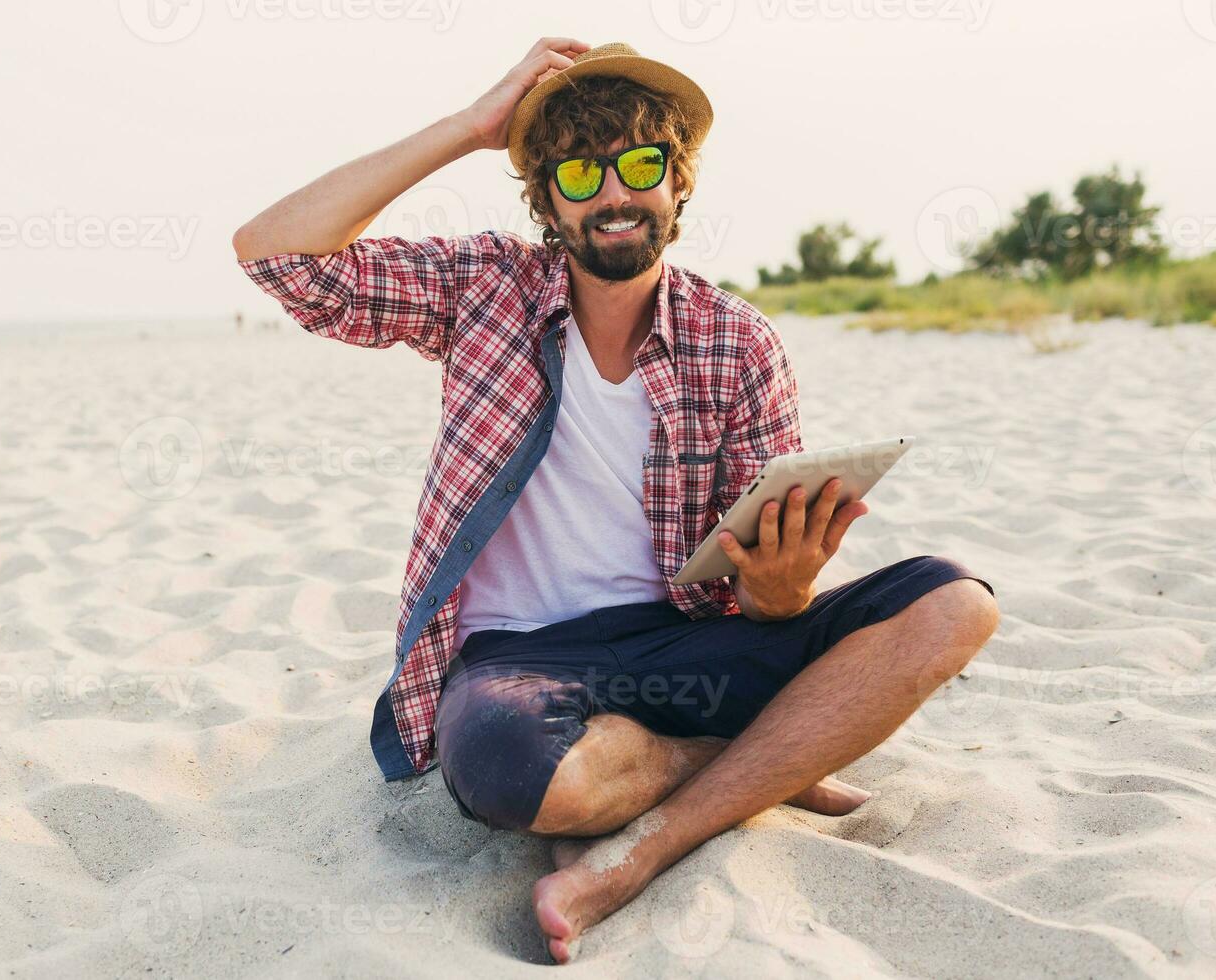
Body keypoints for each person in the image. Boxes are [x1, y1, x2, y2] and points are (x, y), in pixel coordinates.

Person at [233, 38, 999, 964]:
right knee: (512, 773)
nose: (612, 194)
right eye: (579, 173)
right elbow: (276, 254)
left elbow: (762, 600)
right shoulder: (485, 288)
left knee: (953, 603)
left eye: (640, 165)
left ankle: (638, 849)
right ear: (546, 198)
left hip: (684, 641)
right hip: (520, 660)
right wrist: (473, 126)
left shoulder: (738, 343)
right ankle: (760, 760)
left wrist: (785, 592)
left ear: (677, 184)